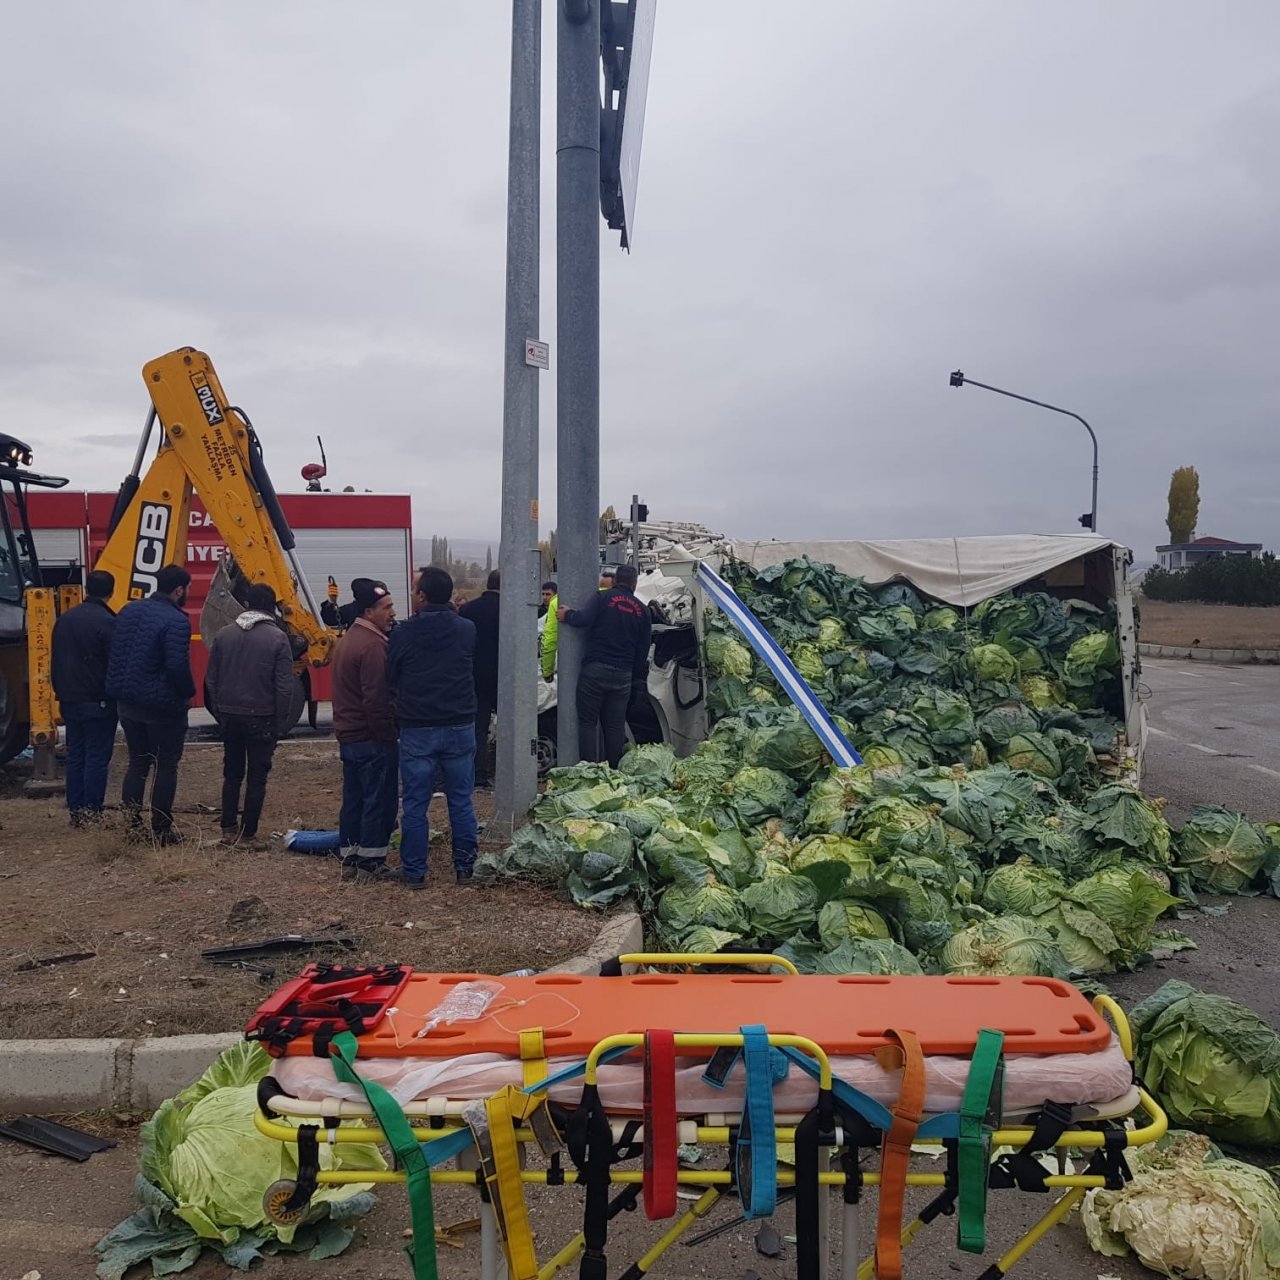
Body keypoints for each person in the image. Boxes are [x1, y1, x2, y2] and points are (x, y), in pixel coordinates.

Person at [387, 566, 479, 888]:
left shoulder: (403, 633)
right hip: (459, 724)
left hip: (418, 726)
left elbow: (391, 675)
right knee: (461, 799)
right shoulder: (466, 629)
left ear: (422, 596)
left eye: (414, 591)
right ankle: (465, 868)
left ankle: (414, 873)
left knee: (415, 802)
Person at [105, 564, 195, 844]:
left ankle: (132, 825)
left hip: (128, 703)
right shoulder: (177, 620)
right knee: (166, 765)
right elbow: (176, 665)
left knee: (137, 764)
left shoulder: (128, 611)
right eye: (187, 589)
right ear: (179, 589)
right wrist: (188, 693)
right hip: (162, 707)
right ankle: (162, 829)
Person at [204, 582, 295, 850]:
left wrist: (221, 711)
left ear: (245, 605)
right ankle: (248, 834)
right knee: (257, 777)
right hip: (262, 716)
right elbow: (284, 686)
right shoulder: (278, 638)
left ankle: (228, 829)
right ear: (272, 609)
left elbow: (211, 680)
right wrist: (280, 721)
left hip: (230, 716)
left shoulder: (223, 635)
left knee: (232, 774)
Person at [331, 580, 399, 880]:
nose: (392, 613)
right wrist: (388, 736)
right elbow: (376, 700)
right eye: (386, 608)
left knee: (355, 798)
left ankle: (350, 856)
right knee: (378, 799)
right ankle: (371, 862)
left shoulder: (351, 638)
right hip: (370, 737)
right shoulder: (372, 646)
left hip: (350, 736)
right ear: (369, 611)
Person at [557, 562, 651, 767]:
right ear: (634, 584)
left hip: (595, 670)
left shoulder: (603, 598)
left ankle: (589, 769)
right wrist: (630, 673)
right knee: (615, 726)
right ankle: (615, 770)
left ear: (615, 581)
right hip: (623, 675)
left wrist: (567, 615)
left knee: (588, 722)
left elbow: (583, 618)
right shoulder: (643, 611)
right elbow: (643, 651)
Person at [51, 569, 118, 826]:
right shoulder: (107, 622)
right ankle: (93, 812)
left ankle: (77, 812)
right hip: (97, 700)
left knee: (76, 755)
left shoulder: (64, 619)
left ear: (86, 588)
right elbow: (114, 663)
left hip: (68, 698)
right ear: (111, 592)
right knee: (97, 757)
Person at [459, 569, 500, 789]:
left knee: (479, 726)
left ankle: (478, 773)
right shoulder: (510, 609)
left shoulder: (468, 608)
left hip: (475, 674)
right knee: (512, 725)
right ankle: (510, 768)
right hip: (505, 676)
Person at [540, 567, 613, 681]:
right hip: (612, 665)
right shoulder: (616, 601)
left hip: (571, 667)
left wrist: (547, 671)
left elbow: (550, 640)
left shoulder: (557, 602)